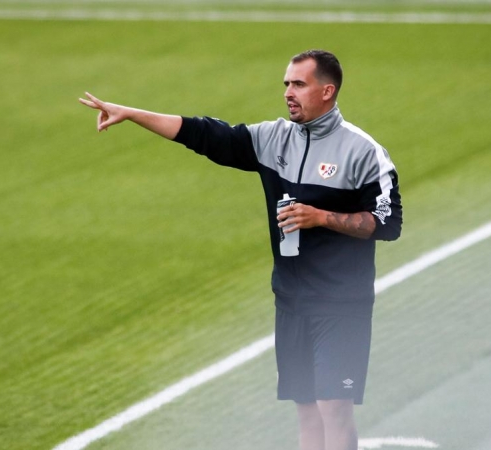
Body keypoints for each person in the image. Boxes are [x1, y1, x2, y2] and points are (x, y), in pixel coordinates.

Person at [79, 49, 402, 450]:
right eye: (286, 83)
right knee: (306, 411)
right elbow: (204, 134)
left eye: (299, 84)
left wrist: (322, 217)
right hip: (291, 301)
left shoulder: (363, 152)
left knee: (333, 409)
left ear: (327, 90)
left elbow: (389, 224)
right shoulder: (273, 138)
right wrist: (130, 112)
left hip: (341, 305)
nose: (288, 91)